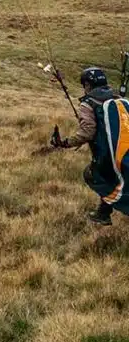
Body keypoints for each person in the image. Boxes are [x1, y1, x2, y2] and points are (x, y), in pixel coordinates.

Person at [51, 67, 123, 225]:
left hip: (107, 155)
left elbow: (87, 132)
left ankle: (105, 212)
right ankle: (104, 212)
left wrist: (66, 143)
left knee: (94, 175)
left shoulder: (88, 103)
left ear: (88, 85)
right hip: (125, 150)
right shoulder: (118, 98)